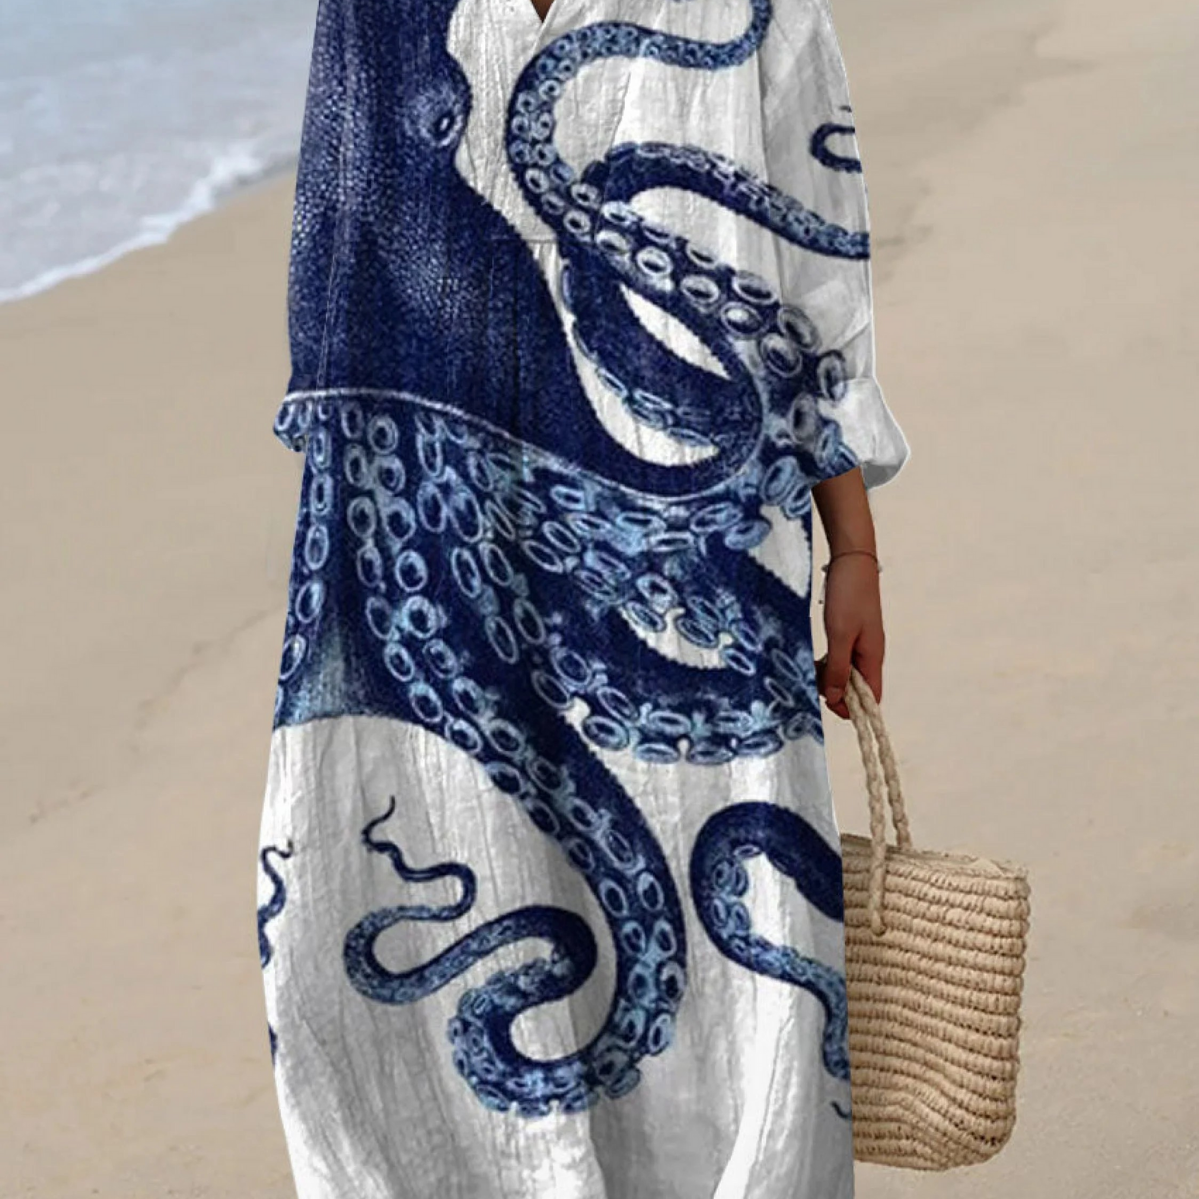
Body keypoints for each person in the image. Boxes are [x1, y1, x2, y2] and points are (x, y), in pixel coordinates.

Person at [256, 1, 909, 1196]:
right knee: (426, 875)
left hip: (704, 546)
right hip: (422, 560)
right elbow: (339, 268)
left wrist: (852, 550)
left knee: (741, 968)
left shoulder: (749, 10)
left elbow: (818, 293)